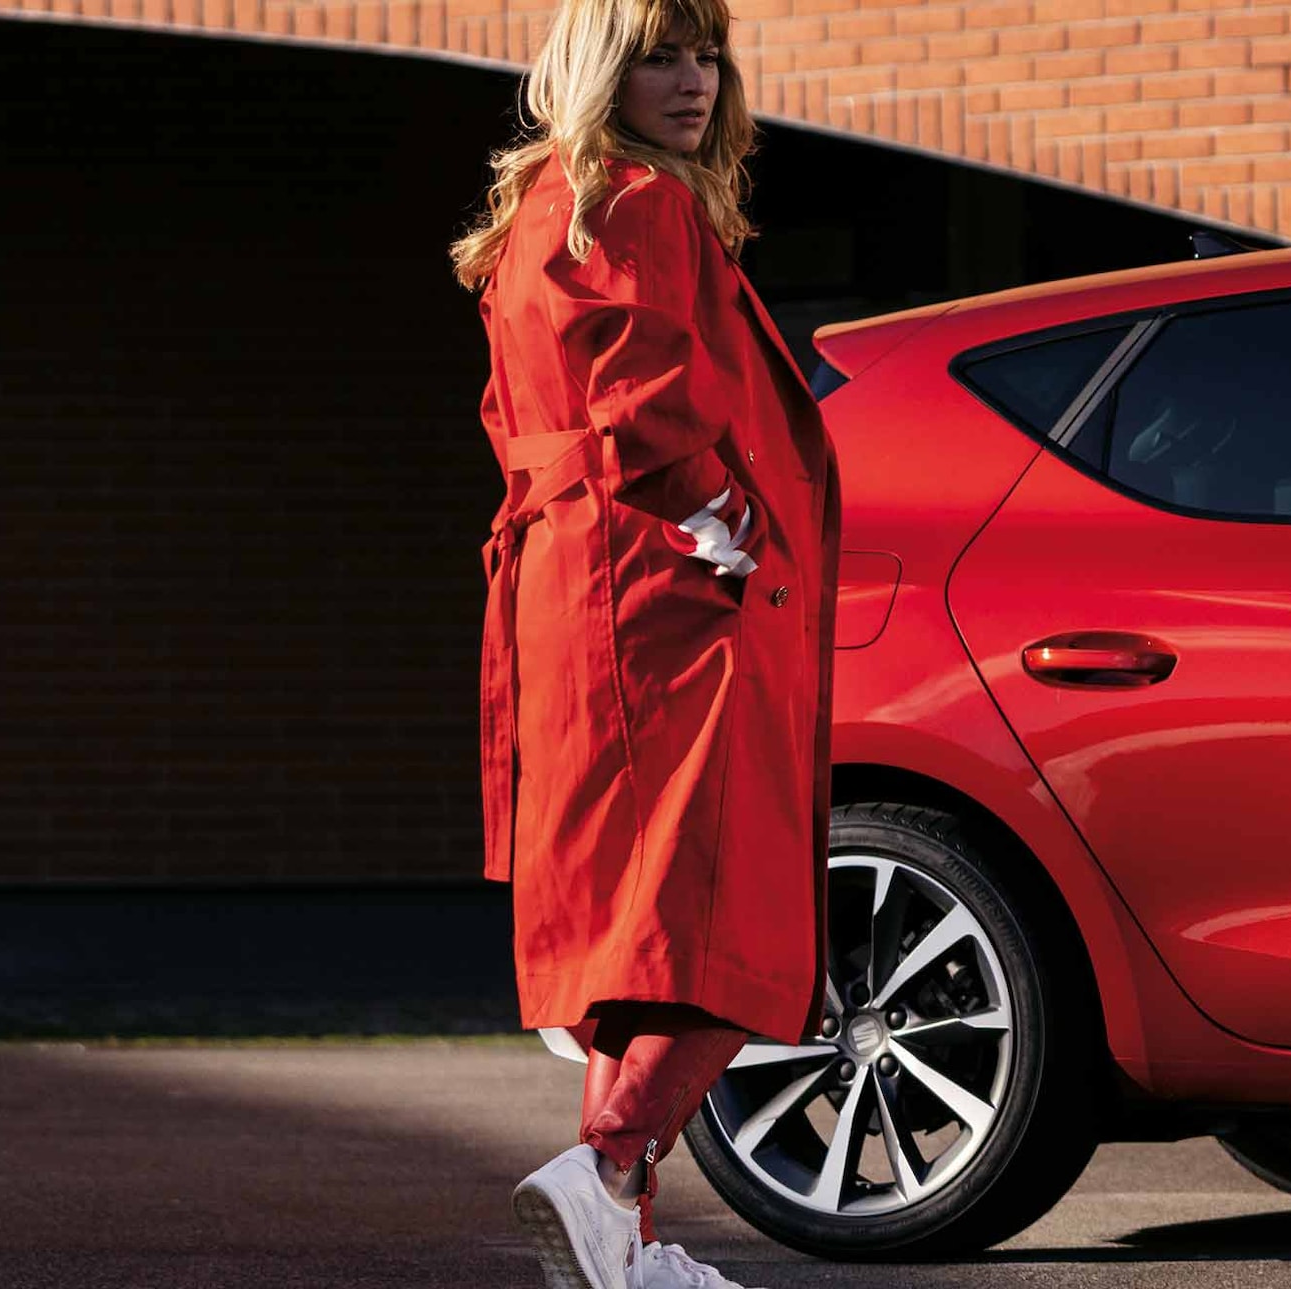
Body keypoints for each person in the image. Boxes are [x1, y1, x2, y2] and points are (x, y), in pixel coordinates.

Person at [450, 1, 835, 1285]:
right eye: (659, 53)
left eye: (703, 53)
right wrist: (719, 512)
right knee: (736, 914)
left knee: (643, 933)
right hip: (666, 595)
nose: (689, 79)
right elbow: (645, 395)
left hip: (587, 590)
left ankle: (621, 1244)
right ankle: (609, 1167)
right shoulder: (635, 202)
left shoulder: (550, 201)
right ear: (600, 65)